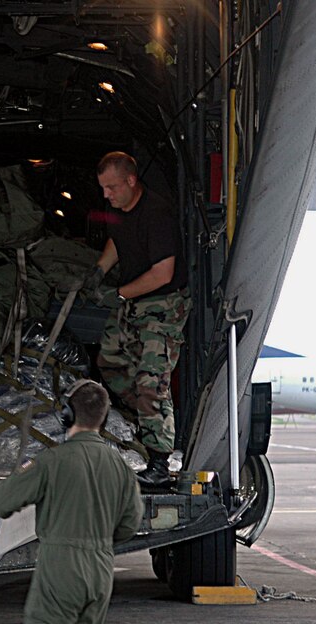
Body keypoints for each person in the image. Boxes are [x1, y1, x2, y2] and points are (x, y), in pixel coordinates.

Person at [0, 379, 144, 624]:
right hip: (102, 568)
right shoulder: (121, 467)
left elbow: (1, 501)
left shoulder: (53, 461)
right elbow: (130, 525)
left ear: (66, 414)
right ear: (103, 418)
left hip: (61, 563)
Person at [85, 151, 191, 484]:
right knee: (110, 360)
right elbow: (118, 240)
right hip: (134, 301)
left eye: (112, 187)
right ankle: (146, 419)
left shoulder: (157, 214)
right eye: (103, 188)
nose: (106, 195)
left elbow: (163, 273)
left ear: (131, 180)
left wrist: (116, 294)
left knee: (152, 381)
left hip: (162, 305)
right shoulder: (116, 208)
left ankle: (160, 460)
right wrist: (99, 271)